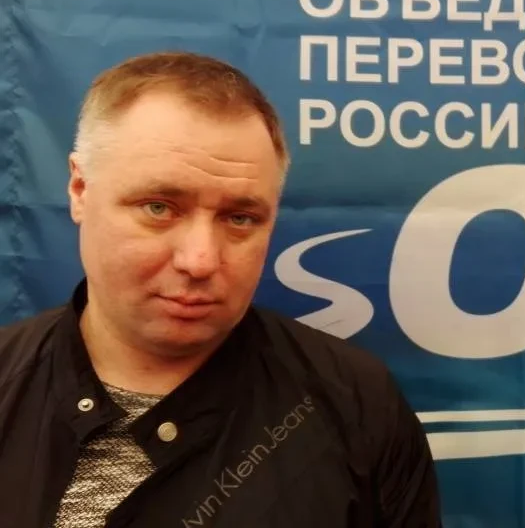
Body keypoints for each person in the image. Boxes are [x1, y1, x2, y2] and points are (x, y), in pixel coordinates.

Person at [0, 51, 443, 527]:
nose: (200, 261)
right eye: (159, 207)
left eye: (240, 218)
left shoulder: (359, 408)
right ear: (80, 190)